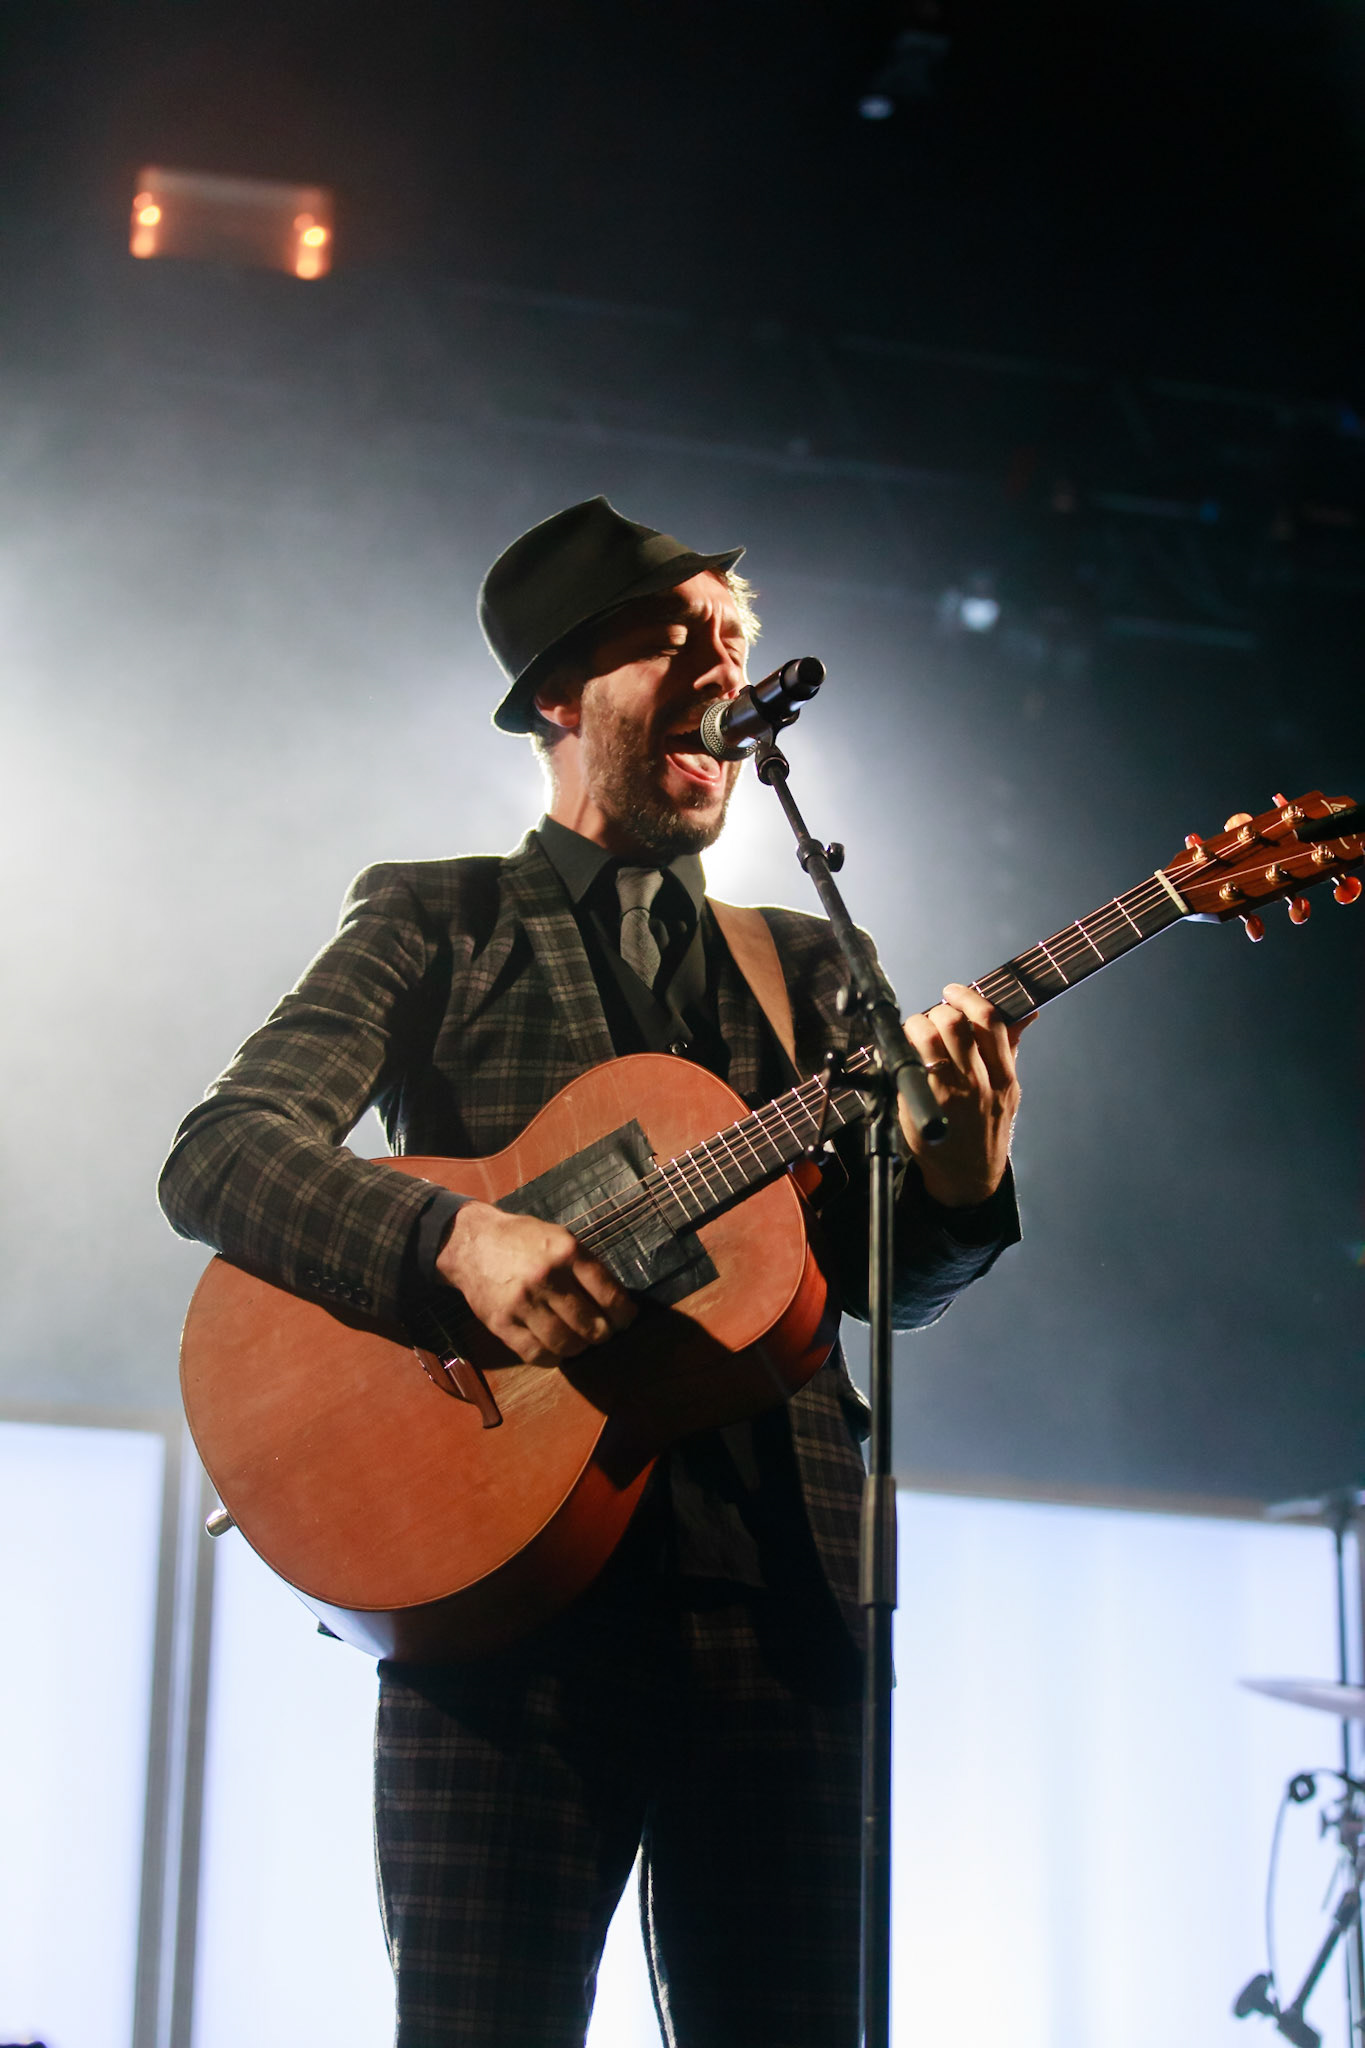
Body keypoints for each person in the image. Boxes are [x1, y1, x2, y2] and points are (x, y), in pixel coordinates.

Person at [159, 496, 1027, 2048]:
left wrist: (958, 1174)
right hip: (500, 1616)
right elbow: (219, 1154)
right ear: (561, 692)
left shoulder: (808, 962)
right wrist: (451, 1241)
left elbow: (883, 1288)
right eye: (677, 637)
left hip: (779, 1605)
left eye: (736, 643)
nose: (723, 664)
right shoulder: (436, 916)